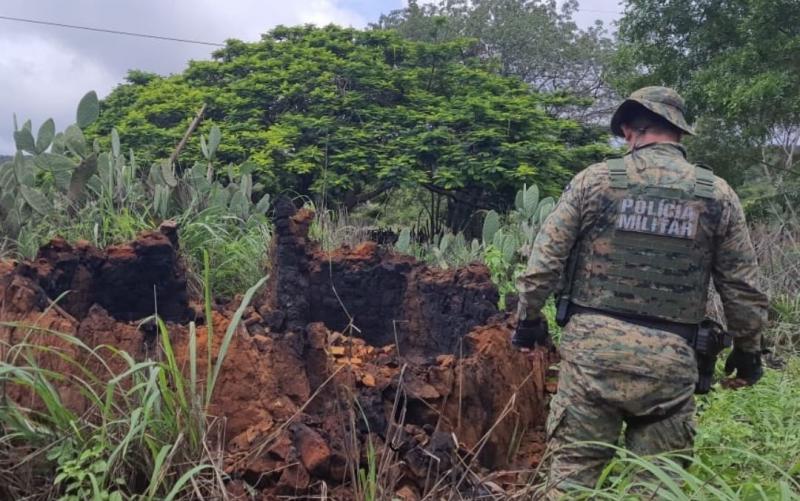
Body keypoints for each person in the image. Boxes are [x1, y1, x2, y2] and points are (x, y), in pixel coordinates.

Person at [512, 86, 769, 498]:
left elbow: (543, 263)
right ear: (679, 133)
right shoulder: (717, 194)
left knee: (573, 475)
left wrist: (527, 320)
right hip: (671, 362)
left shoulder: (595, 181)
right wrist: (748, 349)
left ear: (629, 130)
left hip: (593, 357)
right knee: (656, 485)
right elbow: (741, 287)